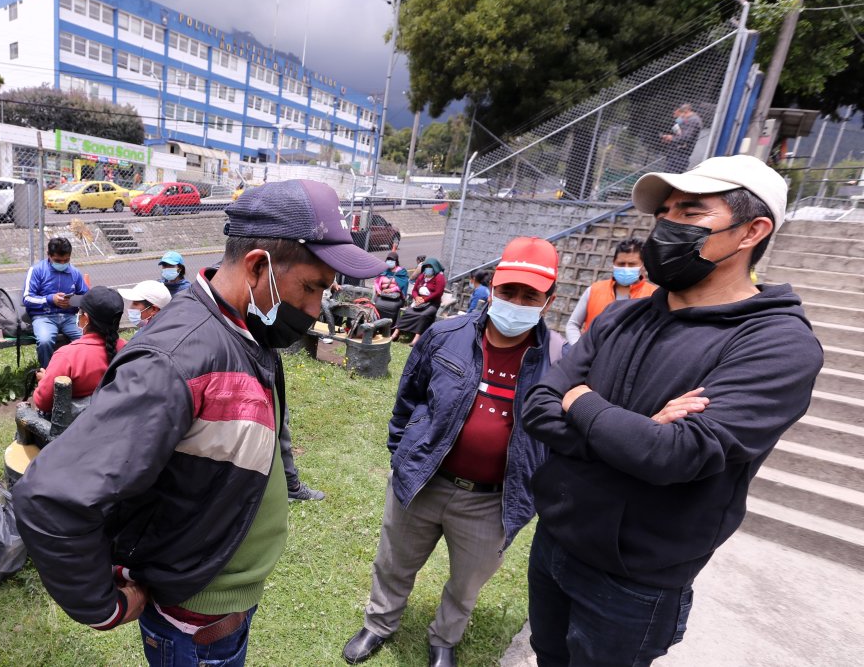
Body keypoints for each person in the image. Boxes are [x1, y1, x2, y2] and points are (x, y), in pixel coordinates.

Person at [13, 179, 386, 667]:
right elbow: (52, 497)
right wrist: (103, 607)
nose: (317, 309)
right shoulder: (176, 360)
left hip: (220, 601)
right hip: (195, 622)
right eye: (311, 287)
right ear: (258, 267)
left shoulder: (247, 330)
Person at [522, 155, 823, 666]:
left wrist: (583, 401)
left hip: (634, 579)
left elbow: (673, 455)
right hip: (555, 540)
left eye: (689, 213)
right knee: (547, 655)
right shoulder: (623, 315)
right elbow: (538, 404)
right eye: (664, 213)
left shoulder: (777, 345)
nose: (665, 227)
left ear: (752, 231)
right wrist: (628, 434)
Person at [342, 237, 563, 667]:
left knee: (466, 583)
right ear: (493, 288)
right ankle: (379, 623)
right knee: (394, 562)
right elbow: (409, 399)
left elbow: (557, 436)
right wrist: (400, 453)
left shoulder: (559, 361)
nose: (516, 302)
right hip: (424, 480)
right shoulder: (446, 335)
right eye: (508, 291)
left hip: (491, 501)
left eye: (529, 296)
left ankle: (445, 638)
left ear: (548, 302)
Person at [33, 286, 127, 415]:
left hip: (76, 429)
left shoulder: (67, 356)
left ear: (86, 319)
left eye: (80, 312)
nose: (78, 315)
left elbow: (44, 403)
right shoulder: (128, 349)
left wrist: (44, 381)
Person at [565, 238, 657, 344]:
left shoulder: (653, 296)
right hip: (591, 357)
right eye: (621, 264)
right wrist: (579, 349)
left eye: (632, 264)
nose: (626, 268)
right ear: (614, 263)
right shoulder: (594, 290)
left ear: (642, 265)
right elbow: (573, 324)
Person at [24, 237, 89, 368]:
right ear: (49, 255)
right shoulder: (37, 270)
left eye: (66, 260)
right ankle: (46, 375)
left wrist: (72, 302)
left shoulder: (74, 272)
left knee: (87, 339)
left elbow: (86, 298)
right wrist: (50, 299)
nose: (63, 263)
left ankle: (80, 371)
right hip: (44, 317)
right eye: (58, 261)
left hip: (69, 318)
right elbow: (27, 298)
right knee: (45, 341)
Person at [391, 257, 445, 344]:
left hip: (432, 303)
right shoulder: (421, 277)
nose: (428, 269)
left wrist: (425, 300)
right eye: (426, 267)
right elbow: (414, 290)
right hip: (419, 301)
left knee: (423, 315)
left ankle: (417, 337)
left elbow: (438, 293)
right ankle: (396, 333)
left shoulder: (439, 277)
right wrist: (416, 298)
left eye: (430, 267)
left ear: (435, 268)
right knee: (408, 312)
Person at [661, 103, 702, 173]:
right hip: (675, 155)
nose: (681, 117)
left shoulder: (694, 120)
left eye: (681, 114)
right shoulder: (687, 120)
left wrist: (672, 138)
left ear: (686, 111)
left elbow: (686, 137)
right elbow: (680, 134)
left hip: (680, 156)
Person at [372, 253, 408, 324]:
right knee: (377, 305)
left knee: (393, 307)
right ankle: (377, 323)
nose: (389, 262)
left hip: (396, 298)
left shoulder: (401, 272)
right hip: (382, 295)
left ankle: (390, 325)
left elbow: (403, 284)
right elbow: (376, 281)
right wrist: (378, 290)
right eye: (388, 260)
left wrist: (391, 290)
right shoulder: (383, 270)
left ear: (396, 261)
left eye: (392, 260)